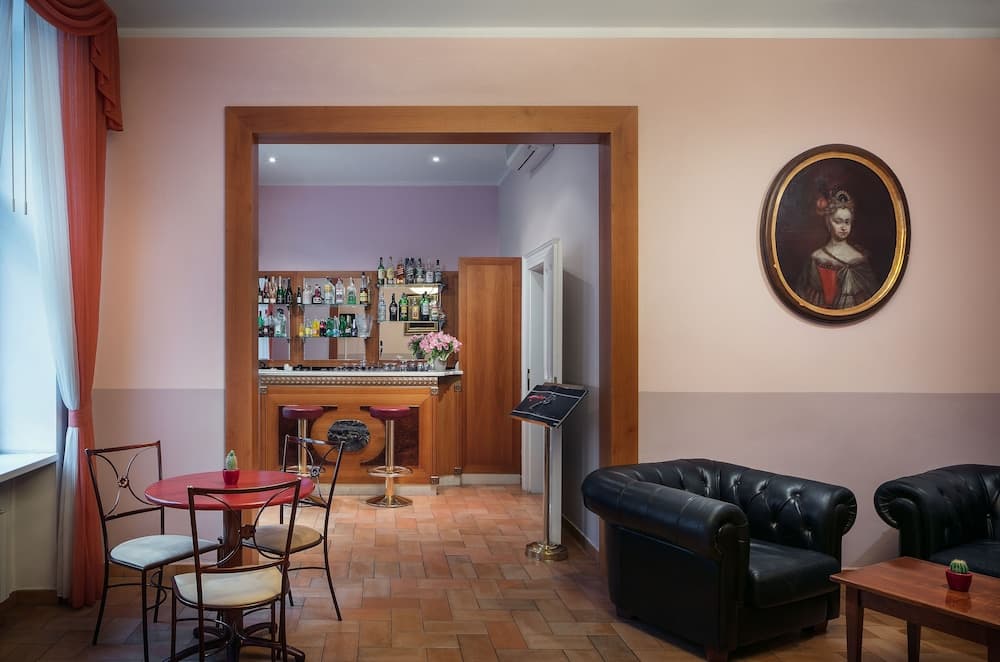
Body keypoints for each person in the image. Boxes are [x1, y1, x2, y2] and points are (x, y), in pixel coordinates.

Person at [795, 188, 877, 309]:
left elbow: (870, 298)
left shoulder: (859, 258)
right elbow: (806, 296)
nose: (843, 227)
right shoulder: (816, 257)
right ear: (828, 222)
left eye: (847, 222)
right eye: (838, 221)